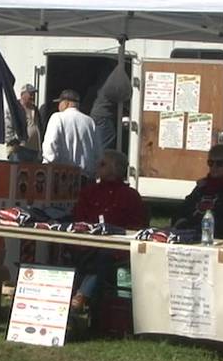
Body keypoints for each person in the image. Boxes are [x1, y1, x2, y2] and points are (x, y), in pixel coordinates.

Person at [70, 149, 149, 310]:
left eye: (102, 164)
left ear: (115, 169)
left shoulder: (130, 196)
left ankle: (81, 296)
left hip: (116, 246)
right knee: (80, 252)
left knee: (103, 257)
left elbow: (137, 227)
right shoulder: (89, 192)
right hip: (87, 241)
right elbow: (78, 218)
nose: (97, 166)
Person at [41, 89, 99, 176]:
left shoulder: (58, 117)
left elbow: (50, 147)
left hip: (63, 176)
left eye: (59, 103)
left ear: (66, 103)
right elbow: (98, 151)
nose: (59, 106)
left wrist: (46, 169)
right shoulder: (90, 122)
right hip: (86, 177)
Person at [89, 63, 132, 154]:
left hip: (100, 114)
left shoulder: (106, 81)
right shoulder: (113, 84)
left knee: (101, 141)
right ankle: (100, 163)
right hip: (103, 116)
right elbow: (116, 95)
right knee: (104, 145)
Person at [4, 83, 44, 163]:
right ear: (22, 95)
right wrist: (13, 143)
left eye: (34, 94)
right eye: (30, 94)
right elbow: (7, 127)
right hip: (19, 150)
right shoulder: (14, 108)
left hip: (35, 151)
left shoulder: (35, 110)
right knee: (17, 174)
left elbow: (39, 127)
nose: (33, 97)